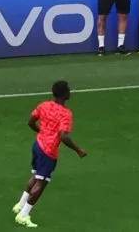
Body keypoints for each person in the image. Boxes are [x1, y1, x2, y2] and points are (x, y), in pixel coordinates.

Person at [14, 79, 86, 228]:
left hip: (37, 145)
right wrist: (78, 149)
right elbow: (63, 136)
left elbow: (31, 122)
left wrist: (43, 132)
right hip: (48, 150)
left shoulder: (44, 105)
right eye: (68, 90)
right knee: (42, 182)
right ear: (65, 94)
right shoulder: (65, 114)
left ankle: (20, 205)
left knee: (35, 176)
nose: (70, 92)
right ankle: (23, 215)